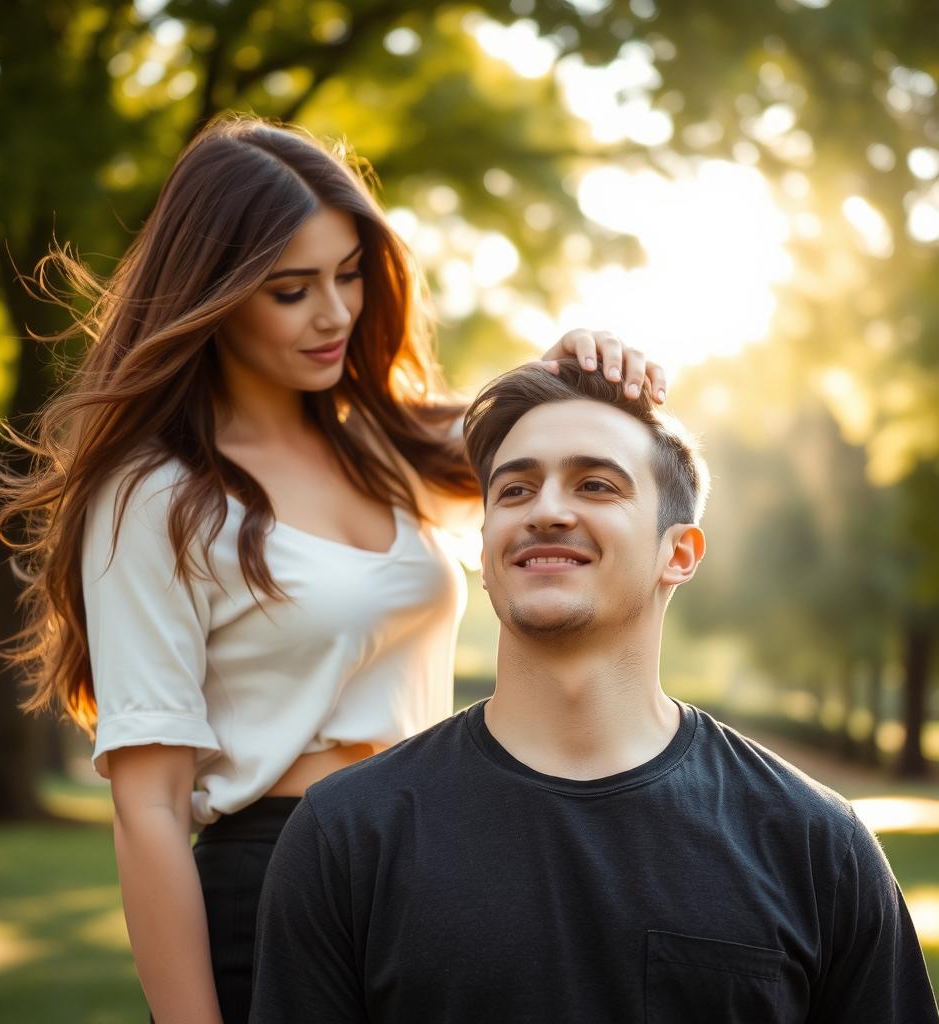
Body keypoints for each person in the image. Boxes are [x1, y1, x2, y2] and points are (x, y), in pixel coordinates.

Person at [0, 113, 667, 1024]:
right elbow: (150, 806)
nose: (337, 312)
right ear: (215, 294)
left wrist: (583, 360)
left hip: (445, 862)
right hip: (277, 880)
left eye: (349, 274)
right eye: (291, 289)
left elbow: (555, 458)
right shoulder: (155, 494)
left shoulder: (390, 446)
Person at [250, 358, 939, 1024]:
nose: (546, 510)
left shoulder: (816, 844)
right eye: (515, 490)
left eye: (597, 486)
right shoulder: (345, 836)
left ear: (680, 554)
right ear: (485, 550)